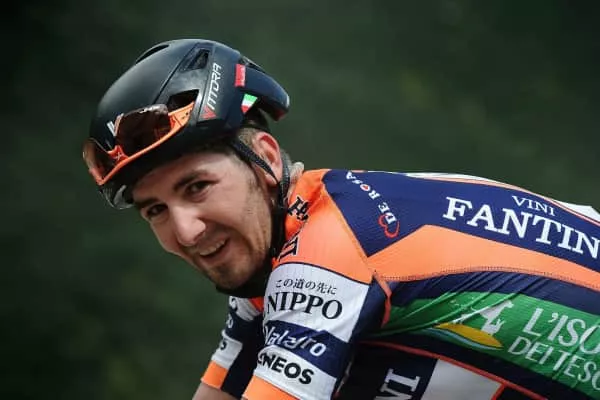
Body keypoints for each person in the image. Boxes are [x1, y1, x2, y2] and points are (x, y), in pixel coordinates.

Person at [82, 38, 600, 400]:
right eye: (156, 210)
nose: (186, 231)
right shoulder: (285, 249)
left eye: (197, 187)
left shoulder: (327, 252)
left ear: (265, 159)